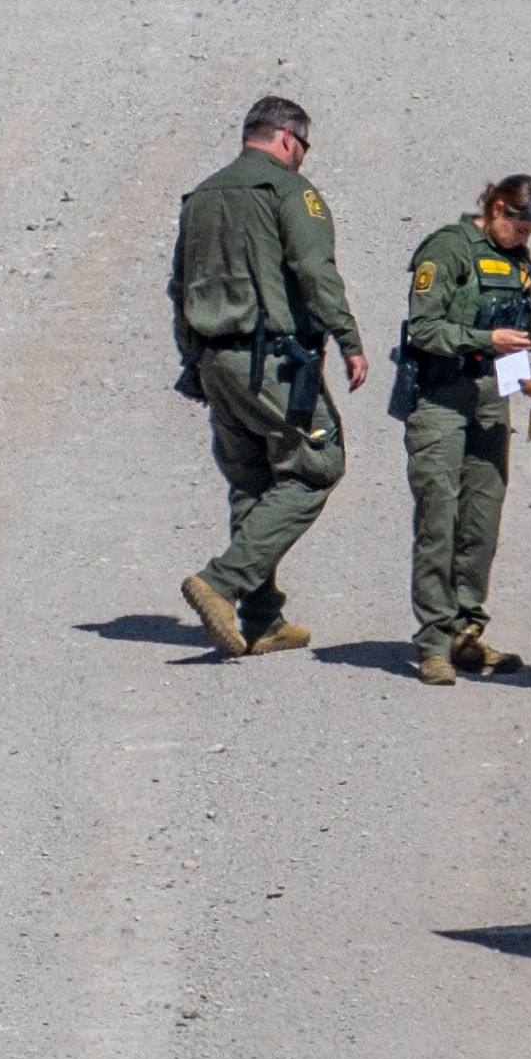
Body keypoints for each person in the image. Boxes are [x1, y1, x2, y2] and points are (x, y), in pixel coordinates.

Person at [167, 93, 364, 653]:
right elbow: (313, 269)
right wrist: (350, 340)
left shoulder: (201, 196)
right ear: (286, 137)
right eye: (303, 146)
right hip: (270, 361)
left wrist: (193, 364)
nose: (303, 156)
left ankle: (261, 617)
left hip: (215, 360)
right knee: (317, 465)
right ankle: (221, 582)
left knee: (251, 479)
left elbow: (179, 287)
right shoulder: (287, 189)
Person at [393, 172, 531, 676]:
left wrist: (529, 346)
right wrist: (485, 339)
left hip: (490, 395)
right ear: (498, 208)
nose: (524, 240)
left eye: (530, 233)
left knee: (482, 517)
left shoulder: (519, 262)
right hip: (441, 396)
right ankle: (433, 643)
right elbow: (423, 328)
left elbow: (513, 325)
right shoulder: (448, 249)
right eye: (520, 228)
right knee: (439, 517)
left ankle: (467, 629)